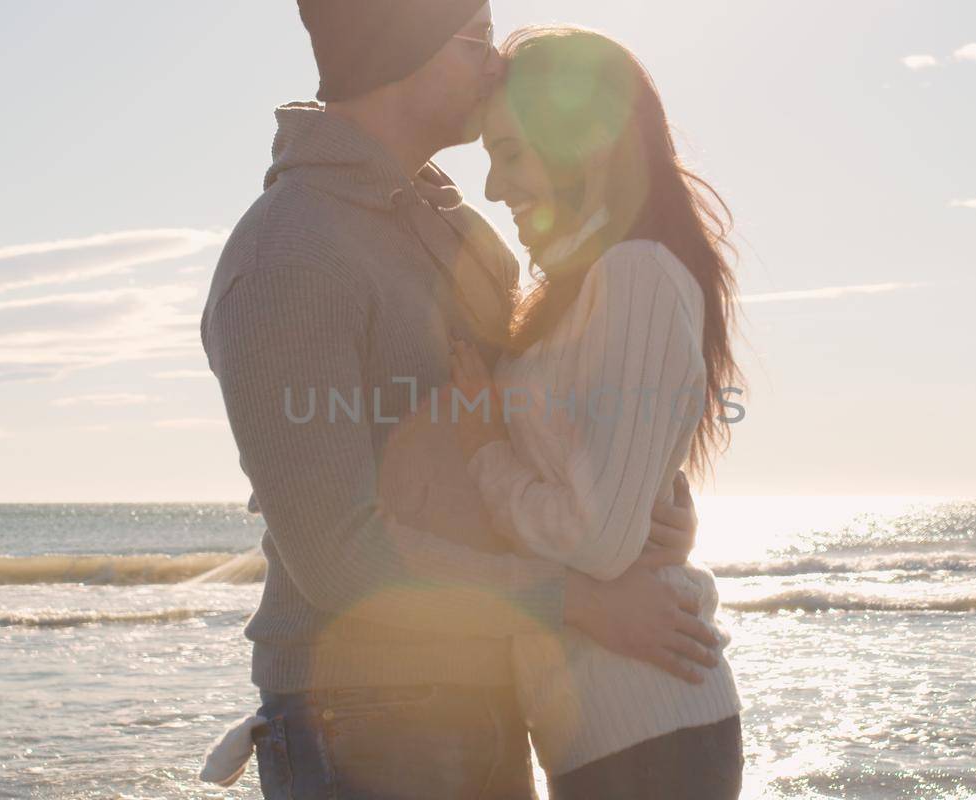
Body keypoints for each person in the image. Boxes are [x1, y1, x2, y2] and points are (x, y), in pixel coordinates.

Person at [197, 3, 717, 797]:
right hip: (363, 715)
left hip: (493, 693)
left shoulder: (462, 231)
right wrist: (578, 601)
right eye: (476, 39)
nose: (496, 64)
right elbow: (339, 556)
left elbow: (538, 428)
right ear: (397, 52)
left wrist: (653, 506)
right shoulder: (289, 253)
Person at [445, 25, 748, 799]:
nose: (491, 185)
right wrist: (661, 509)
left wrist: (483, 450)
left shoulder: (636, 275)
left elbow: (597, 539)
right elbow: (611, 498)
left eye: (510, 152)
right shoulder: (578, 290)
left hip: (652, 732)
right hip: (608, 732)